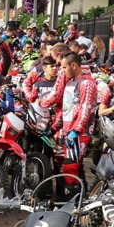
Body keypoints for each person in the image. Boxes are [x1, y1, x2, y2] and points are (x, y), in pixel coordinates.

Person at [40, 52, 98, 198]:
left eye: (64, 67)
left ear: (73, 65)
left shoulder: (87, 83)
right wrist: (54, 128)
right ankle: (81, 198)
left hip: (80, 133)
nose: (62, 71)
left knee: (70, 167)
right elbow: (67, 110)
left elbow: (86, 109)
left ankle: (72, 200)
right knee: (74, 167)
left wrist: (76, 131)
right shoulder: (71, 82)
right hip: (69, 131)